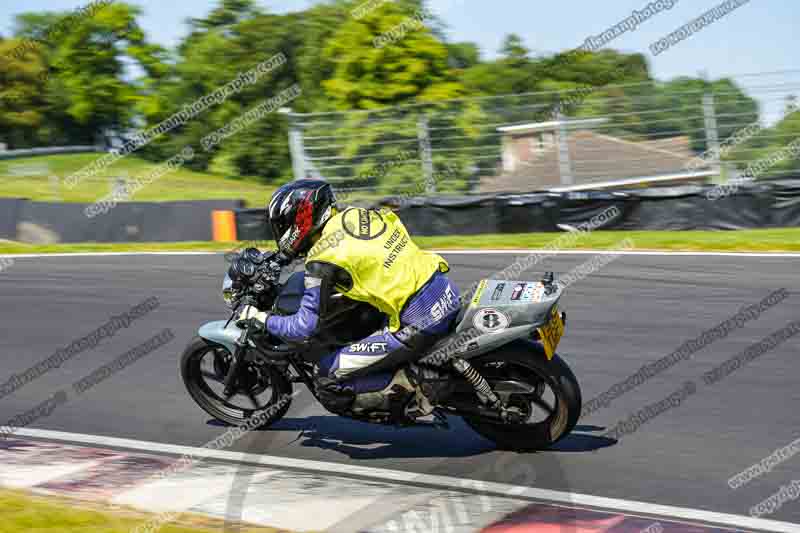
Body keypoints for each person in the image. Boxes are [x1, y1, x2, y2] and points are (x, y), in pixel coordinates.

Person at [243, 179, 461, 407]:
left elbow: (303, 327)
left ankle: (417, 391)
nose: (281, 231)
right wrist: (281, 258)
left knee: (326, 377)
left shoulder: (323, 260)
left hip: (418, 321)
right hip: (443, 289)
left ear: (299, 218)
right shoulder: (355, 215)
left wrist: (261, 318)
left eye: (282, 224)